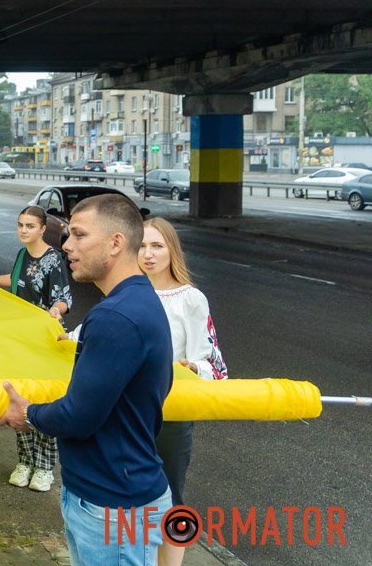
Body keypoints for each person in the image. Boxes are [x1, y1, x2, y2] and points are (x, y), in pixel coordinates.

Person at [0, 194, 173, 566]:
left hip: (112, 505)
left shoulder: (116, 317)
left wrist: (28, 413)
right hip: (115, 497)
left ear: (116, 243)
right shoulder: (140, 300)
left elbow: (79, 415)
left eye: (78, 235)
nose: (66, 245)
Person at [140, 218, 227, 566]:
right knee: (128, 497)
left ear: (172, 250)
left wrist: (193, 368)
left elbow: (212, 362)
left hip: (172, 415)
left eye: (157, 246)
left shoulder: (191, 299)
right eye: (142, 246)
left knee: (170, 498)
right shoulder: (125, 292)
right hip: (128, 413)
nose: (148, 254)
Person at [0, 206, 71, 493]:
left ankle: (45, 467)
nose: (23, 230)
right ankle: (25, 461)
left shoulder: (53, 259)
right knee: (19, 398)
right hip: (19, 340)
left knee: (43, 400)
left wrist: (56, 311)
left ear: (43, 229)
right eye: (20, 225)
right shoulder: (22, 255)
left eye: (30, 226)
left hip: (44, 341)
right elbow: (18, 281)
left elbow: (63, 298)